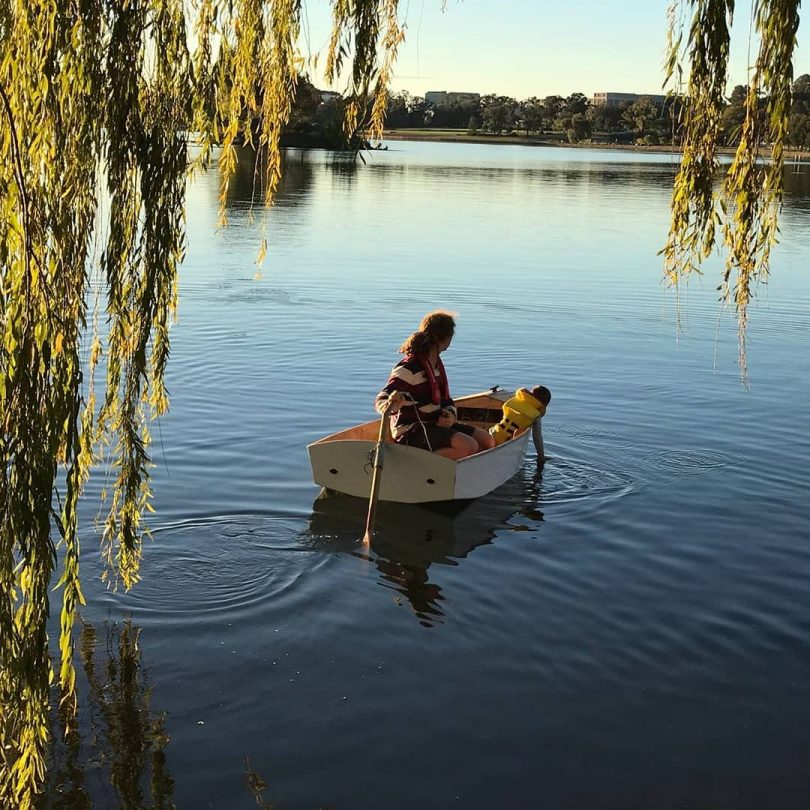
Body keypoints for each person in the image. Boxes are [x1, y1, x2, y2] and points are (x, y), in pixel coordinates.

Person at [374, 311, 495, 460]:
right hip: (412, 430)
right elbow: (381, 400)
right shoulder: (409, 368)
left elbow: (445, 399)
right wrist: (391, 404)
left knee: (488, 441)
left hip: (434, 424)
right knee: (469, 446)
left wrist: (450, 415)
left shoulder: (436, 366)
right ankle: (415, 463)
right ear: (444, 339)